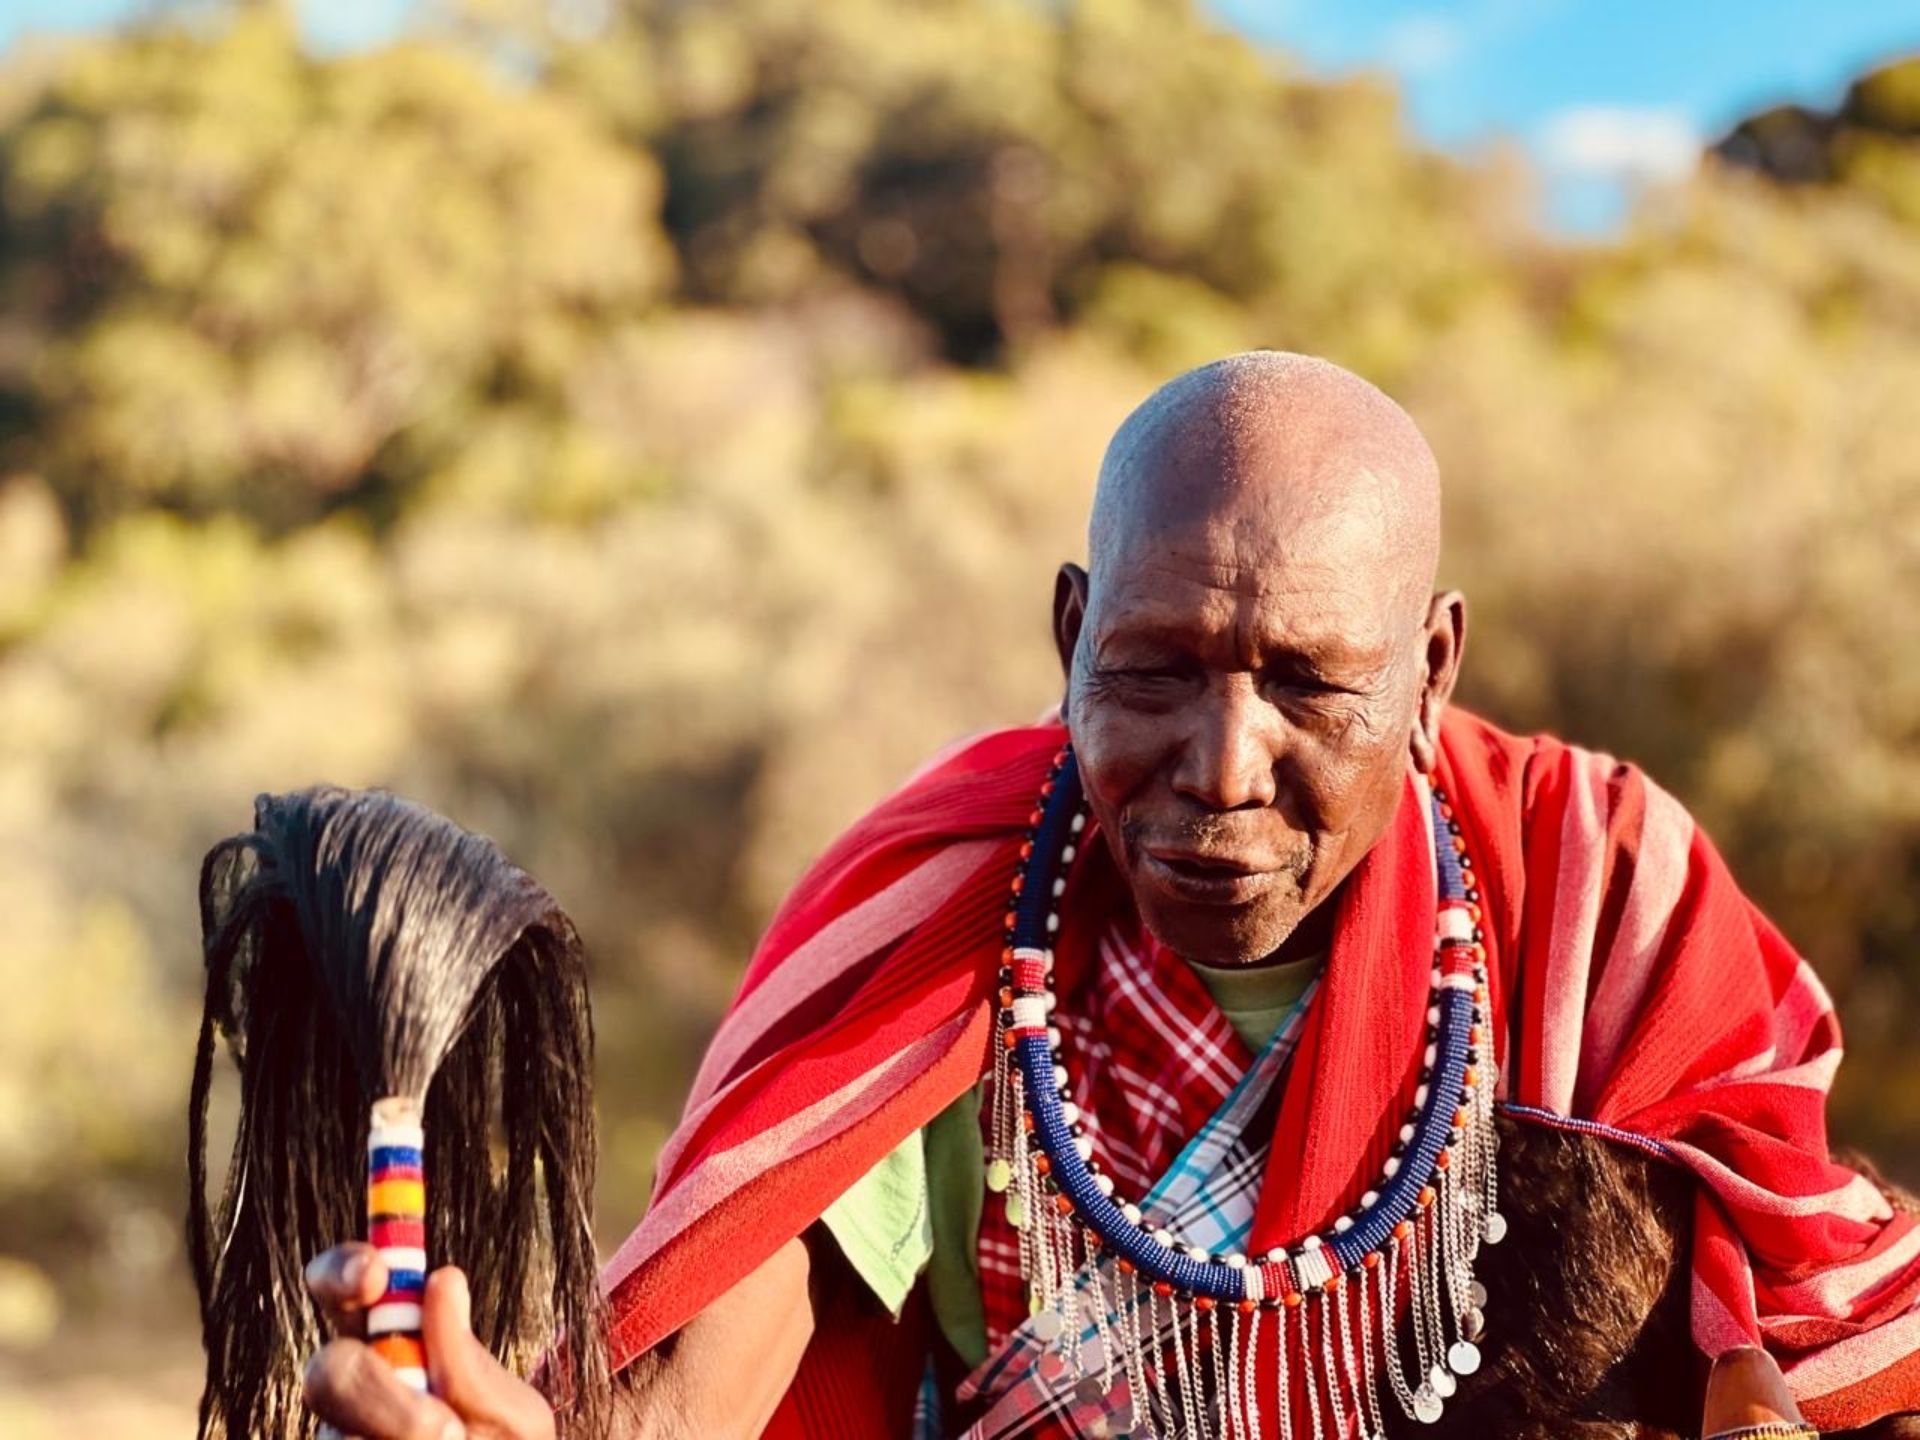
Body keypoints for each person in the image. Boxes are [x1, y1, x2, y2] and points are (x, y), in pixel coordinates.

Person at [303, 353, 1920, 1439]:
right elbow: (715, 1357)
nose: (1222, 765)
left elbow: (1806, 1330)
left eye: (1311, 686)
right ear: (1069, 632)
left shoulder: (1589, 894)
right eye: (1152, 670)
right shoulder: (942, 911)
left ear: (1433, 671)